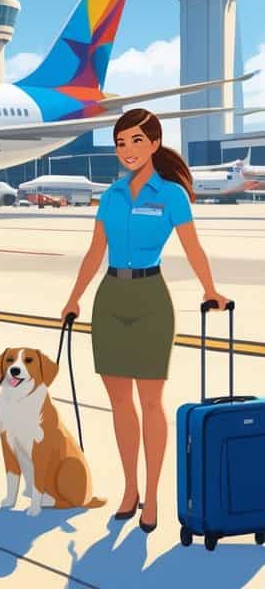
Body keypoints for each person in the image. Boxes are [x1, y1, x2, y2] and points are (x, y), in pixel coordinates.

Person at [62, 108, 228, 535]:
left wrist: (210, 288)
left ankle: (153, 496)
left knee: (151, 402)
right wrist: (74, 298)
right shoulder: (111, 196)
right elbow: (95, 252)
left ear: (154, 143)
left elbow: (193, 248)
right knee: (120, 403)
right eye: (121, 143)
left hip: (152, 300)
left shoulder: (171, 195)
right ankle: (130, 488)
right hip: (110, 301)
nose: (128, 150)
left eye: (137, 140)